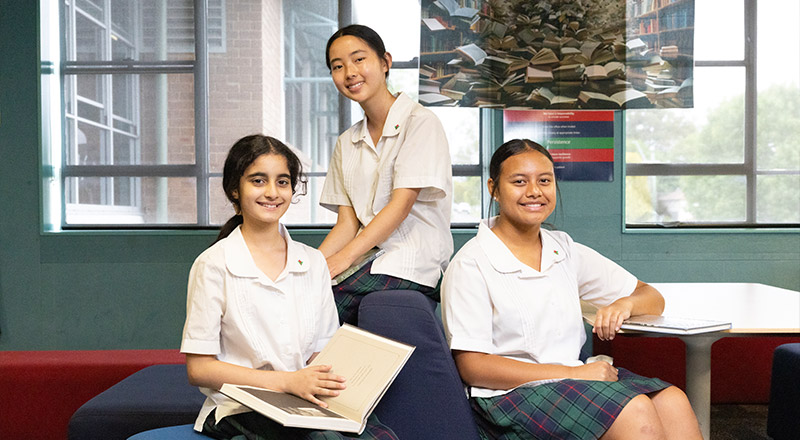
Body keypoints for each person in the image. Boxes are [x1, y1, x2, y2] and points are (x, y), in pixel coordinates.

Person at [441, 139, 702, 440]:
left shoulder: (563, 249)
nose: (534, 192)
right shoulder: (471, 263)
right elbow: (473, 367)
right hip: (505, 396)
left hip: (573, 379)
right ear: (494, 189)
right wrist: (573, 373)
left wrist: (623, 306)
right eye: (519, 182)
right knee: (636, 411)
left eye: (544, 181)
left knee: (672, 402)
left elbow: (652, 297)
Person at [180, 135, 398, 440]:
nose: (272, 192)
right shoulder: (213, 264)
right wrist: (286, 382)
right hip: (241, 406)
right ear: (234, 189)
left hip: (302, 402)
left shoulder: (312, 262)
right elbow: (200, 370)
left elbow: (320, 355)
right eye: (258, 181)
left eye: (282, 182)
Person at [319, 24, 453, 325]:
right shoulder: (346, 142)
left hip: (413, 262)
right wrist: (310, 267)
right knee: (304, 291)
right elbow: (347, 222)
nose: (349, 72)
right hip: (372, 259)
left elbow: (400, 206)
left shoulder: (420, 123)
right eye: (337, 66)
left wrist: (342, 260)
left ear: (385, 62)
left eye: (358, 59)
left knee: (320, 307)